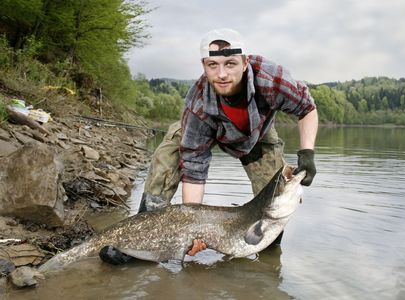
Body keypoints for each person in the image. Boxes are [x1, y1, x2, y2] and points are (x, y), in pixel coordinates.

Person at [99, 28, 318, 264]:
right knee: (169, 154)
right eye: (213, 65)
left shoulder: (272, 79)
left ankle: (268, 247)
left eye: (230, 64)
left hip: (257, 136)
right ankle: (142, 236)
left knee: (275, 192)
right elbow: (194, 169)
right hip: (205, 130)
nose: (221, 74)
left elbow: (306, 109)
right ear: (204, 65)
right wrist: (191, 231)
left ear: (245, 62)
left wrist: (307, 153)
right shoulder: (198, 103)